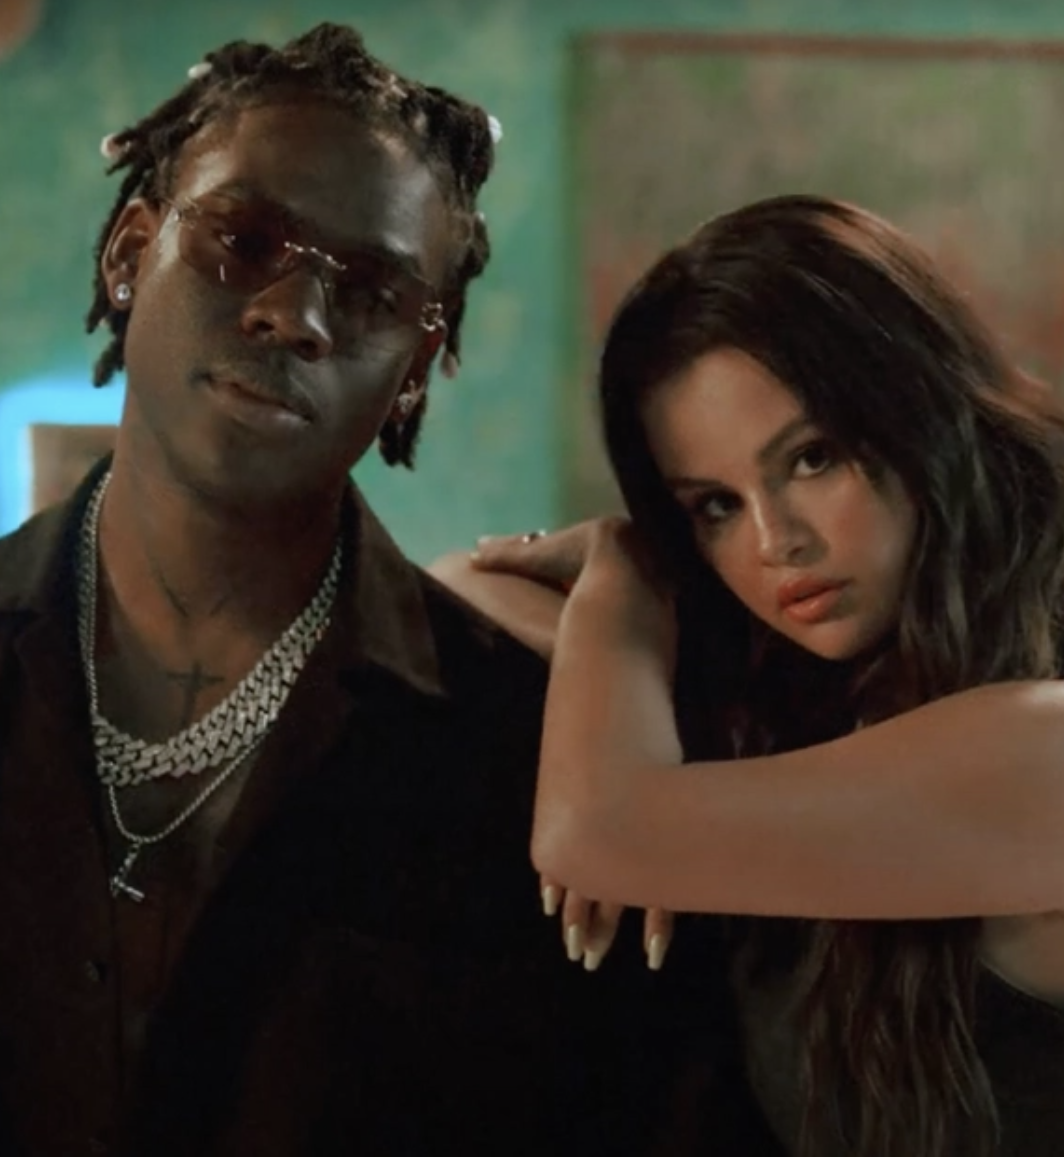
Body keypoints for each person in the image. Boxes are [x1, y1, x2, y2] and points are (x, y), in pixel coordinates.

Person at [0, 24, 768, 1154]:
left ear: (415, 367)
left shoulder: (534, 759)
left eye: (367, 291)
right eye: (242, 239)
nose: (293, 317)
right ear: (129, 253)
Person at [437, 194, 1064, 1155]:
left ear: (920, 411)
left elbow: (592, 833)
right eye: (714, 506)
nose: (778, 543)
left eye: (813, 458)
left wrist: (624, 572)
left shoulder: (1044, 741)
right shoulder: (809, 702)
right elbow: (446, 596)